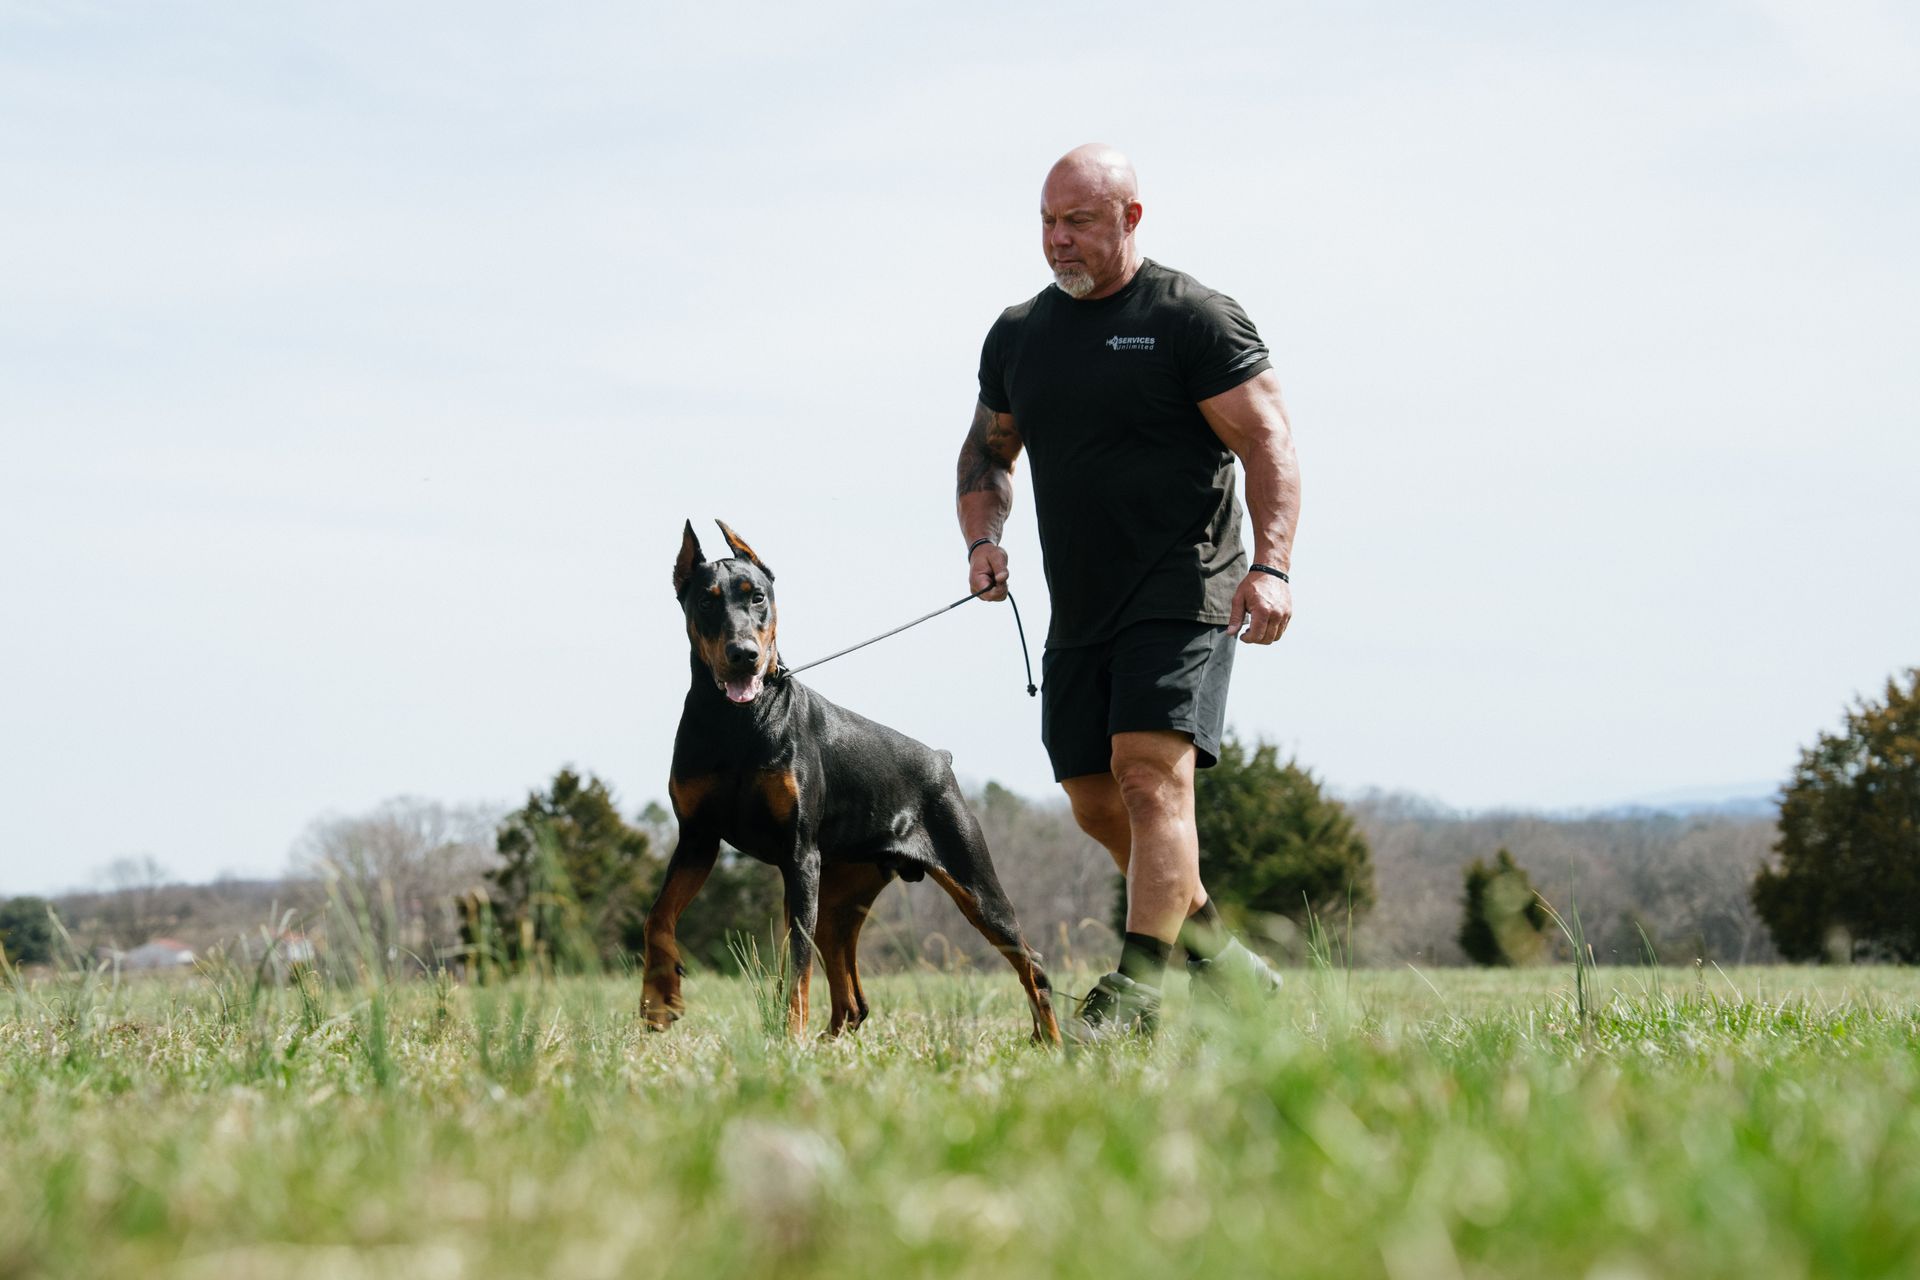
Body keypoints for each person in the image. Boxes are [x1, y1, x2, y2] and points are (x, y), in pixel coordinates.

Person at [955, 143, 1302, 1038]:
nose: (1057, 241)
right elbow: (991, 448)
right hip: (1082, 602)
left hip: (1185, 584)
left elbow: (1268, 441)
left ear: (1130, 218)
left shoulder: (1192, 318)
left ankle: (1138, 991)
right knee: (1094, 795)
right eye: (1046, 222)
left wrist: (1271, 565)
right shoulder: (1021, 333)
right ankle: (1222, 961)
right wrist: (983, 539)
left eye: (1077, 221)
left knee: (1152, 780)